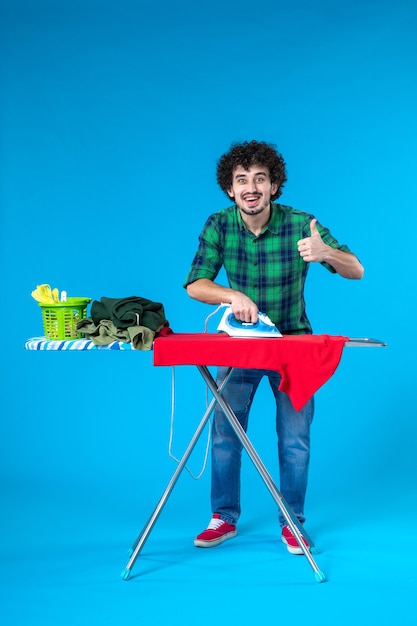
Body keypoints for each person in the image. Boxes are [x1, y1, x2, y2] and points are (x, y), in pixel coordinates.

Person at [183, 140, 364, 554]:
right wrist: (231, 296)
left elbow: (357, 270)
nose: (251, 187)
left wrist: (326, 253)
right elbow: (196, 284)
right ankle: (223, 517)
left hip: (293, 345)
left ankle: (292, 522)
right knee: (226, 433)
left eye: (259, 179)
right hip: (241, 347)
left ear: (274, 185)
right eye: (241, 180)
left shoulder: (302, 223)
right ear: (230, 188)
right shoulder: (219, 224)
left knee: (294, 438)